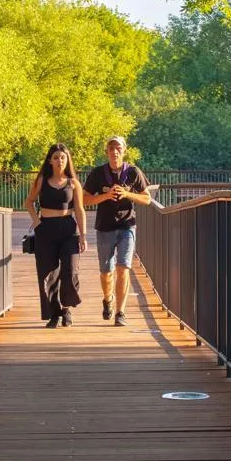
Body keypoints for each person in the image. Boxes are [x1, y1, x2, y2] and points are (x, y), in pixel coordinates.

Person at [82, 136, 150, 326]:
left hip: (127, 226)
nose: (114, 152)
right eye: (111, 148)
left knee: (123, 268)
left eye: (118, 148)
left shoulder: (133, 172)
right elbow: (84, 199)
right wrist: (106, 196)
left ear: (124, 150)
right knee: (106, 271)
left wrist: (127, 193)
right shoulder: (98, 173)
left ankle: (121, 312)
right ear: (107, 152)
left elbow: (147, 199)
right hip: (104, 227)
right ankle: (107, 299)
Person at [21, 143, 86, 327]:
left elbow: (80, 210)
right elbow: (29, 202)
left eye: (63, 157)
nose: (60, 160)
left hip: (68, 230)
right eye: (56, 157)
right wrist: (37, 222)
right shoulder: (42, 180)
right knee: (48, 274)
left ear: (68, 160)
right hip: (46, 230)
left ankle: (66, 308)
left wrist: (83, 235)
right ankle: (54, 314)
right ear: (50, 161)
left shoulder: (74, 183)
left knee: (70, 271)